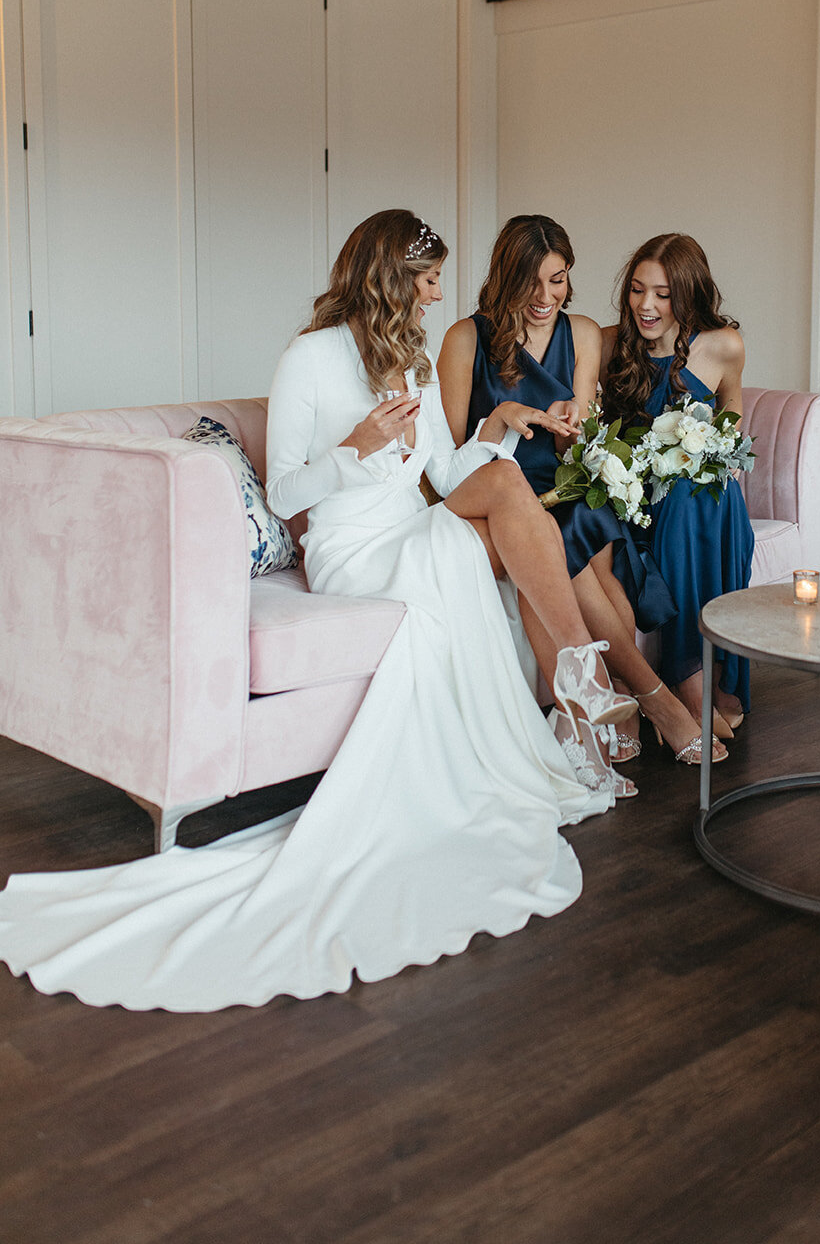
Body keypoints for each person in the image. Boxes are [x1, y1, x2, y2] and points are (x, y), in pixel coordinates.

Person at [0, 211, 633, 1012]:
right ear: (388, 278)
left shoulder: (406, 357)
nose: (437, 297)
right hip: (349, 549)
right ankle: (584, 686)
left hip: (408, 523)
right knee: (512, 513)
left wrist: (497, 429)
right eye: (427, 280)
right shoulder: (310, 357)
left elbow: (441, 468)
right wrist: (356, 449)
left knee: (506, 488)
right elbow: (286, 492)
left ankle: (580, 686)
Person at [439, 214, 708, 769]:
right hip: (495, 491)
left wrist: (570, 427)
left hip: (566, 483)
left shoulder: (581, 333)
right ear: (503, 278)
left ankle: (633, 706)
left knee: (588, 538)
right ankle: (653, 701)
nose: (545, 296)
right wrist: (504, 420)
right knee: (570, 550)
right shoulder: (465, 339)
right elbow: (448, 460)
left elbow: (578, 447)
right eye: (530, 281)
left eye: (557, 279)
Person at [601, 233, 755, 747]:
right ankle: (694, 689)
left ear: (687, 294)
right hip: (634, 494)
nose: (646, 305)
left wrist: (703, 450)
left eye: (663, 294)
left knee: (703, 493)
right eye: (638, 290)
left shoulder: (724, 346)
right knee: (685, 501)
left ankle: (699, 680)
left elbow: (730, 427)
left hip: (697, 493)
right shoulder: (607, 345)